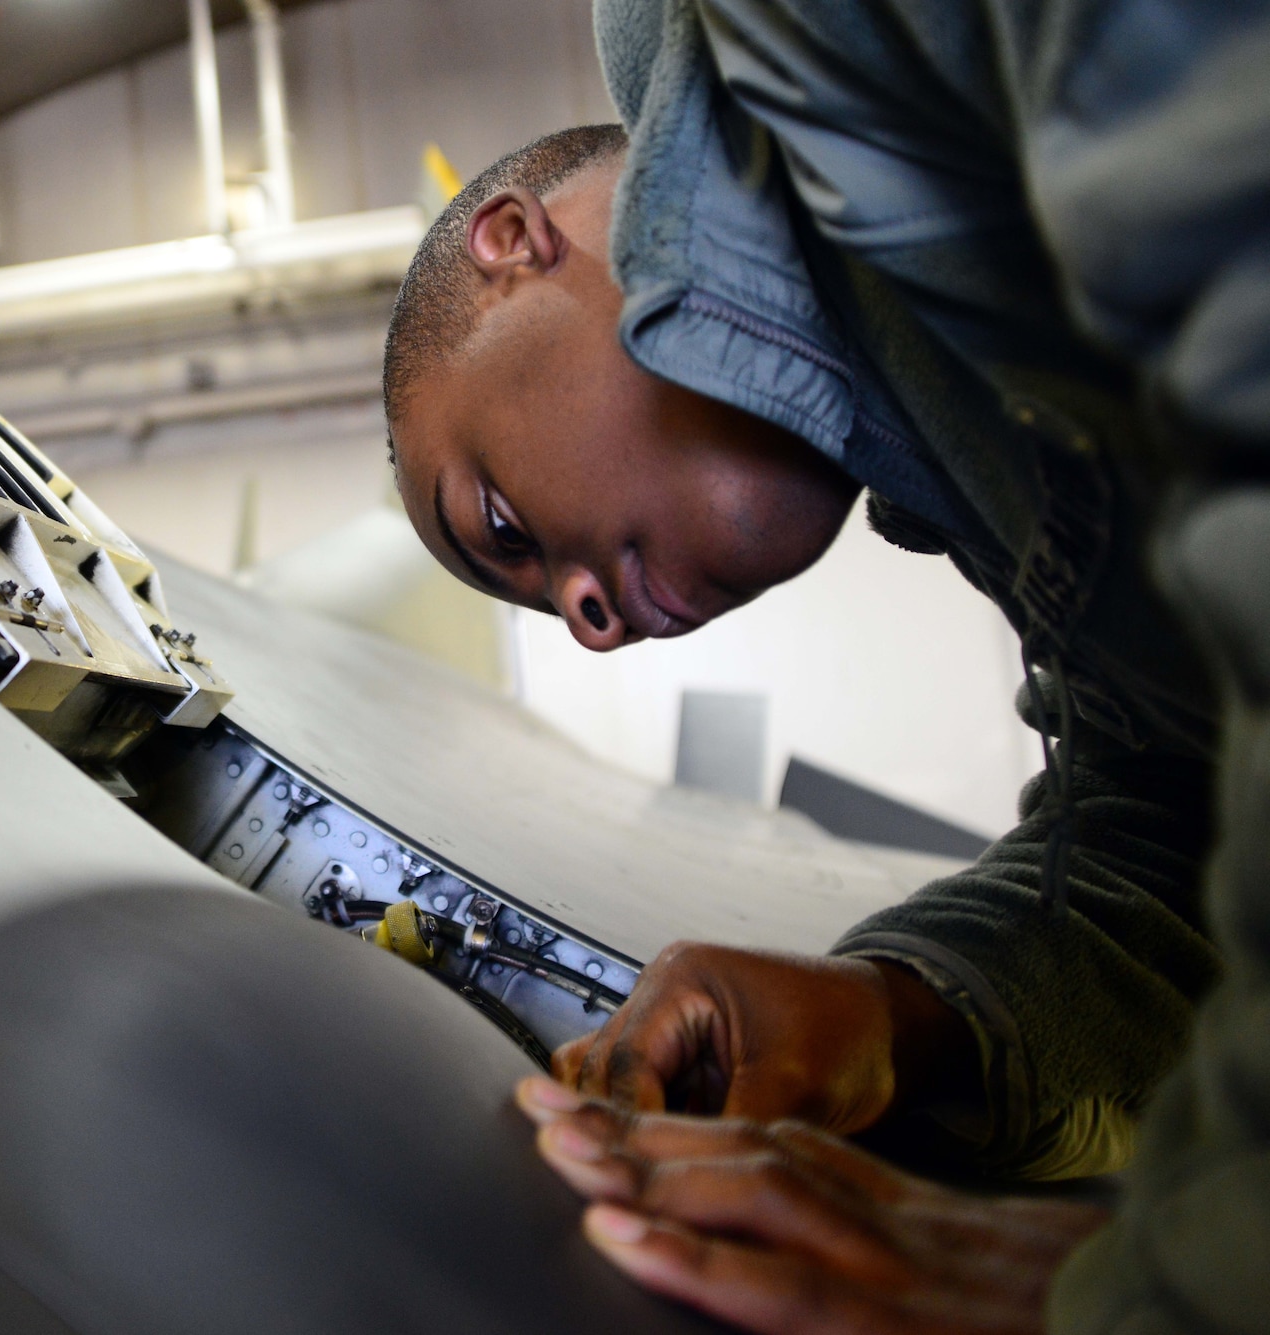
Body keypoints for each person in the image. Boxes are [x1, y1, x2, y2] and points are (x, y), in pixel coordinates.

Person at [383, 0, 1270, 1330]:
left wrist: (1193, 1283)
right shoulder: (980, 459)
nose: (588, 620)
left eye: (500, 526)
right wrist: (904, 1015)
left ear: (512, 242)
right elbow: (1175, 837)